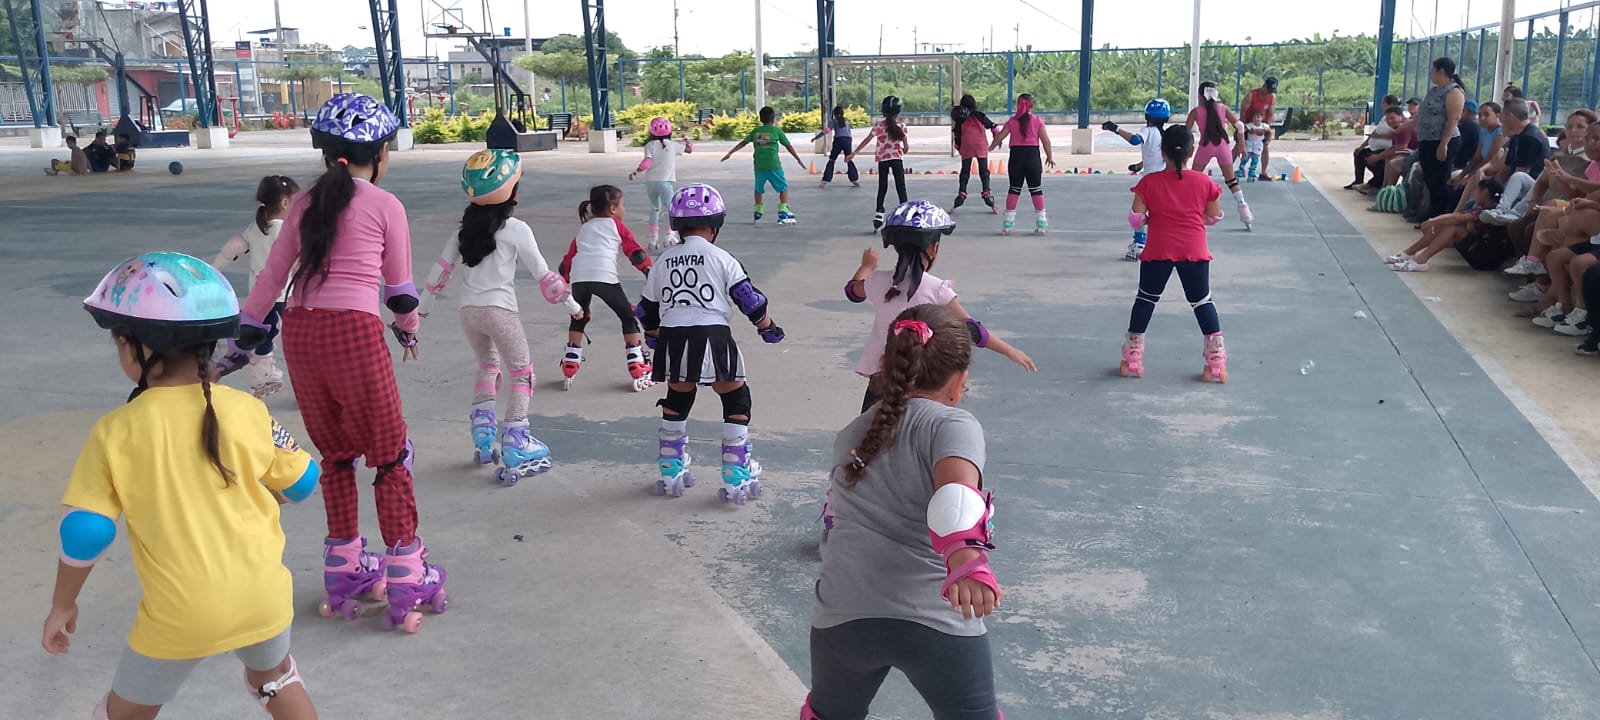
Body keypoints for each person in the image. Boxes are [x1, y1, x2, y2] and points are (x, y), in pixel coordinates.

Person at [49, 252, 321, 719]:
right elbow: (303, 481)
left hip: (180, 615)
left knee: (121, 714)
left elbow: (86, 532)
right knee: (274, 679)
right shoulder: (247, 410)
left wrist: (62, 605)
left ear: (135, 348)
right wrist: (262, 487)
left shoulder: (117, 430)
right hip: (264, 599)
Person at [233, 93, 446, 634]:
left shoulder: (303, 203)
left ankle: (344, 570)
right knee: (391, 456)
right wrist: (409, 329)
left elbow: (270, 280)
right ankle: (407, 575)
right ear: (381, 152)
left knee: (337, 455)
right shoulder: (385, 204)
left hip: (301, 334)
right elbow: (400, 292)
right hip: (353, 332)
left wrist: (243, 339)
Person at [801, 303, 1003, 720]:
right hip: (932, 618)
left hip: (842, 613)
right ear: (959, 382)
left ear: (884, 366)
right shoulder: (952, 424)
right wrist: (966, 558)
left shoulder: (853, 433)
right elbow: (956, 494)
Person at [420, 149, 584, 485]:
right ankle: (516, 441)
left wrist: (423, 307)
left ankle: (483, 434)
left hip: (469, 313)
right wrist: (573, 307)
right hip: (500, 312)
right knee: (522, 374)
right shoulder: (516, 229)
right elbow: (545, 277)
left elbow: (441, 270)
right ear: (512, 192)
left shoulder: (464, 230)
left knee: (488, 365)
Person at [638, 183, 785, 503]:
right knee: (735, 398)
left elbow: (646, 310)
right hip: (712, 336)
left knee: (678, 397)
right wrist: (767, 328)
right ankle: (735, 470)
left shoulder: (663, 261)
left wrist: (653, 336)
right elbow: (749, 300)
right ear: (715, 226)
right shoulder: (721, 257)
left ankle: (670, 467)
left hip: (673, 338)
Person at [844, 200, 1036, 413]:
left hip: (882, 378)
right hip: (922, 383)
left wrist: (866, 266)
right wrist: (1009, 351)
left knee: (872, 429)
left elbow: (852, 291)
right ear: (933, 247)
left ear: (896, 247)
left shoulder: (878, 281)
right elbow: (972, 330)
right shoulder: (936, 289)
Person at [1122, 126, 1229, 382]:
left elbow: (1135, 219)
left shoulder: (1149, 183)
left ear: (1162, 152)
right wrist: (1198, 217)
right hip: (1194, 250)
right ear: (1191, 152)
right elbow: (1214, 216)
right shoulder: (1204, 182)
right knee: (1202, 301)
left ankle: (1132, 358)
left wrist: (1147, 219)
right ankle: (1216, 363)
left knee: (1146, 299)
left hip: (1158, 250)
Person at [556, 184, 655, 392]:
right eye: (623, 205)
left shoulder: (584, 228)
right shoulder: (616, 225)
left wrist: (563, 279)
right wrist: (648, 270)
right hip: (603, 276)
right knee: (628, 316)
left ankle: (570, 363)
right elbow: (634, 251)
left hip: (580, 278)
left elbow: (569, 258)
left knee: (579, 317)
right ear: (613, 209)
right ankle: (637, 364)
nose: (624, 209)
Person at [212, 175, 300, 398]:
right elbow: (297, 262)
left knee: (262, 334)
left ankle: (262, 375)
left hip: (259, 296)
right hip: (282, 296)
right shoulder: (286, 230)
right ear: (285, 203)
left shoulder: (255, 228)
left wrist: (214, 269)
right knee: (289, 338)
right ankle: (271, 378)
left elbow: (233, 248)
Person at [1387, 176, 1504, 272]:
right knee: (1444, 225)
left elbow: (1457, 218)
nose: (1474, 193)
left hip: (1485, 259)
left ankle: (1421, 260)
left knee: (1452, 227)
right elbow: (1462, 221)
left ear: (1485, 192)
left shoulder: (1490, 209)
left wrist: (1431, 222)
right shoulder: (1480, 206)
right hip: (1475, 248)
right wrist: (1434, 223)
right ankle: (1410, 253)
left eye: (1477, 190)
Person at [1103, 98, 1172, 260]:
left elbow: (1135, 140)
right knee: (1161, 213)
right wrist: (1140, 165)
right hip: (1165, 180)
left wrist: (1115, 129)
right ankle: (1165, 244)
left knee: (1137, 214)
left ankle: (1139, 244)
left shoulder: (1148, 131)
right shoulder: (1166, 135)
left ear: (1147, 116)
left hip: (1149, 181)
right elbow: (1158, 155)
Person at [720, 105, 806, 225]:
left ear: (761, 119)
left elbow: (743, 143)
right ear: (773, 118)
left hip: (759, 166)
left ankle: (758, 209)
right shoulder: (776, 131)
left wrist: (730, 153)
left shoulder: (756, 132)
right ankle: (783, 208)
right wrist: (798, 159)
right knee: (783, 187)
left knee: (758, 188)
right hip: (774, 165)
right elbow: (788, 146)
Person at [1184, 81, 1252, 230]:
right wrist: (1241, 145)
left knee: (1192, 179)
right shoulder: (1223, 108)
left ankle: (1188, 210)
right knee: (1231, 181)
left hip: (1205, 147)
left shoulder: (1196, 112)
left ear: (1200, 96)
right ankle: (1244, 209)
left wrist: (1185, 150)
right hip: (1223, 147)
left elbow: (1185, 132)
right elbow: (1240, 125)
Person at [988, 93, 1057, 235]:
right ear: (1032, 106)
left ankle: (1008, 226)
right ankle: (1041, 225)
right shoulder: (1037, 121)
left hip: (1016, 157)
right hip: (1032, 157)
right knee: (1036, 189)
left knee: (1014, 189)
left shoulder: (1012, 122)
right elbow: (1046, 141)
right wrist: (1049, 157)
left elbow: (1000, 136)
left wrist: (990, 148)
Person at [1412, 57, 1466, 221]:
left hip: (1442, 140)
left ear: (1441, 72)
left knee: (1440, 179)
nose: (1430, 74)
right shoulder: (1434, 91)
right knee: (1429, 178)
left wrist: (1444, 144)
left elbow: (1453, 119)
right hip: (1427, 140)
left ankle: (1440, 215)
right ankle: (1431, 211)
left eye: (1433, 70)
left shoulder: (1454, 91)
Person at [1480, 99, 1549, 224]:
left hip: (1533, 189)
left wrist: (1496, 194)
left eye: (1501, 116)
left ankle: (1504, 211)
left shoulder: (1530, 138)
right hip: (1516, 188)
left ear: (1509, 116)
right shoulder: (1517, 137)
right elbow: (1506, 170)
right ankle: (1498, 210)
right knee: (1477, 200)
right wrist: (1489, 188)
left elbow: (1522, 173)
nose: (1500, 120)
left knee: (1518, 176)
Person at [629, 116, 693, 250]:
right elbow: (689, 150)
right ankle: (669, 236)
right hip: (666, 182)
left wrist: (636, 172)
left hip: (650, 182)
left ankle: (653, 239)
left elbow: (647, 163)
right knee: (670, 209)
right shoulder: (673, 145)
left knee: (655, 208)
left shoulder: (649, 146)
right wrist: (686, 139)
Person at [849, 95, 911, 232]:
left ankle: (879, 214)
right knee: (901, 187)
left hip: (883, 160)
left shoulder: (879, 125)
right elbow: (906, 148)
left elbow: (867, 140)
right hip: (897, 160)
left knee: (882, 187)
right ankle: (905, 214)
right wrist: (901, 150)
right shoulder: (901, 126)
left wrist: (854, 152)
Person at [950, 94, 998, 211]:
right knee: (984, 171)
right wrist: (997, 138)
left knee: (965, 171)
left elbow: (957, 134)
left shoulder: (960, 117)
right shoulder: (979, 115)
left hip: (967, 145)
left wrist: (958, 147)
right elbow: (993, 126)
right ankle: (986, 193)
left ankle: (962, 193)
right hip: (980, 145)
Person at [1348, 108, 1406, 190]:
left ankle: (1381, 187)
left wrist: (1378, 157)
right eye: (1387, 119)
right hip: (1390, 151)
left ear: (1401, 116)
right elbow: (1394, 146)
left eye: (1392, 118)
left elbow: (1400, 149)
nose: (1389, 121)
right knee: (1364, 154)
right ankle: (1383, 188)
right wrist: (1363, 147)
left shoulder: (1403, 127)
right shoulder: (1396, 128)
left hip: (1406, 154)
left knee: (1389, 161)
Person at [816, 105, 861, 190]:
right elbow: (849, 133)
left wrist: (816, 137)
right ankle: (855, 180)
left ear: (834, 114)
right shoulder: (846, 121)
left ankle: (825, 180)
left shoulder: (833, 121)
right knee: (849, 159)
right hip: (848, 140)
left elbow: (827, 131)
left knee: (832, 160)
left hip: (838, 140)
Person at [1241, 76, 1278, 179]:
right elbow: (1243, 111)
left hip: (1261, 125)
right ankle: (1231, 169)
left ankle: (1263, 172)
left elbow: (1270, 114)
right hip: (1248, 124)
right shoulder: (1251, 95)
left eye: (1271, 91)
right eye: (1268, 90)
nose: (1269, 93)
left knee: (1265, 146)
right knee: (1240, 146)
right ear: (1264, 86)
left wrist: (1265, 128)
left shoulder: (1272, 97)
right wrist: (1244, 128)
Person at [1241, 108, 1272, 181]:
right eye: (1254, 117)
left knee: (1255, 159)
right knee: (1246, 157)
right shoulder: (1250, 125)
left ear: (1262, 118)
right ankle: (1241, 169)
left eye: (1258, 117)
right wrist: (1243, 137)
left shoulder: (1264, 126)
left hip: (1258, 144)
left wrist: (1268, 140)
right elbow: (1242, 130)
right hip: (1249, 143)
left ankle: (1252, 171)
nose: (1256, 119)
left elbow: (1269, 132)